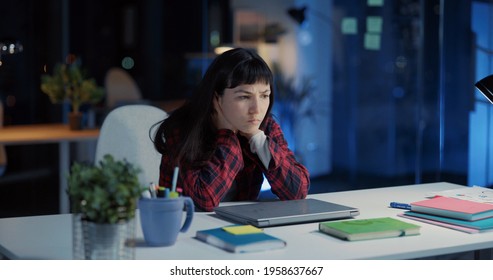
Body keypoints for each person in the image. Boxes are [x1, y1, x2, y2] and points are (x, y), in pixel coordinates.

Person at [153, 48, 310, 211]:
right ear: (217, 98)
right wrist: (227, 137)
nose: (257, 109)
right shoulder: (186, 128)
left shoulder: (264, 125)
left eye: (264, 95)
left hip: (240, 224)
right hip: (185, 226)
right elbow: (203, 201)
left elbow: (298, 191)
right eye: (244, 97)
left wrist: (258, 140)